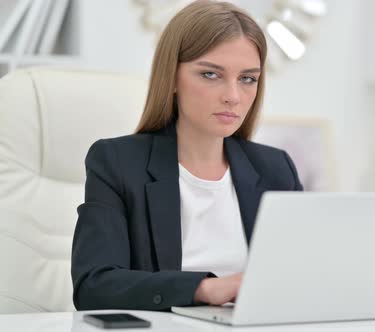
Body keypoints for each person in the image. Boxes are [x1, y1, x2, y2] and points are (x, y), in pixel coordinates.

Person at [71, 0, 303, 311]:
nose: (233, 97)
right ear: (172, 78)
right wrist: (206, 288)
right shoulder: (117, 162)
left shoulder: (276, 168)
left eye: (247, 78)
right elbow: (94, 286)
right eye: (210, 74)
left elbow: (301, 278)